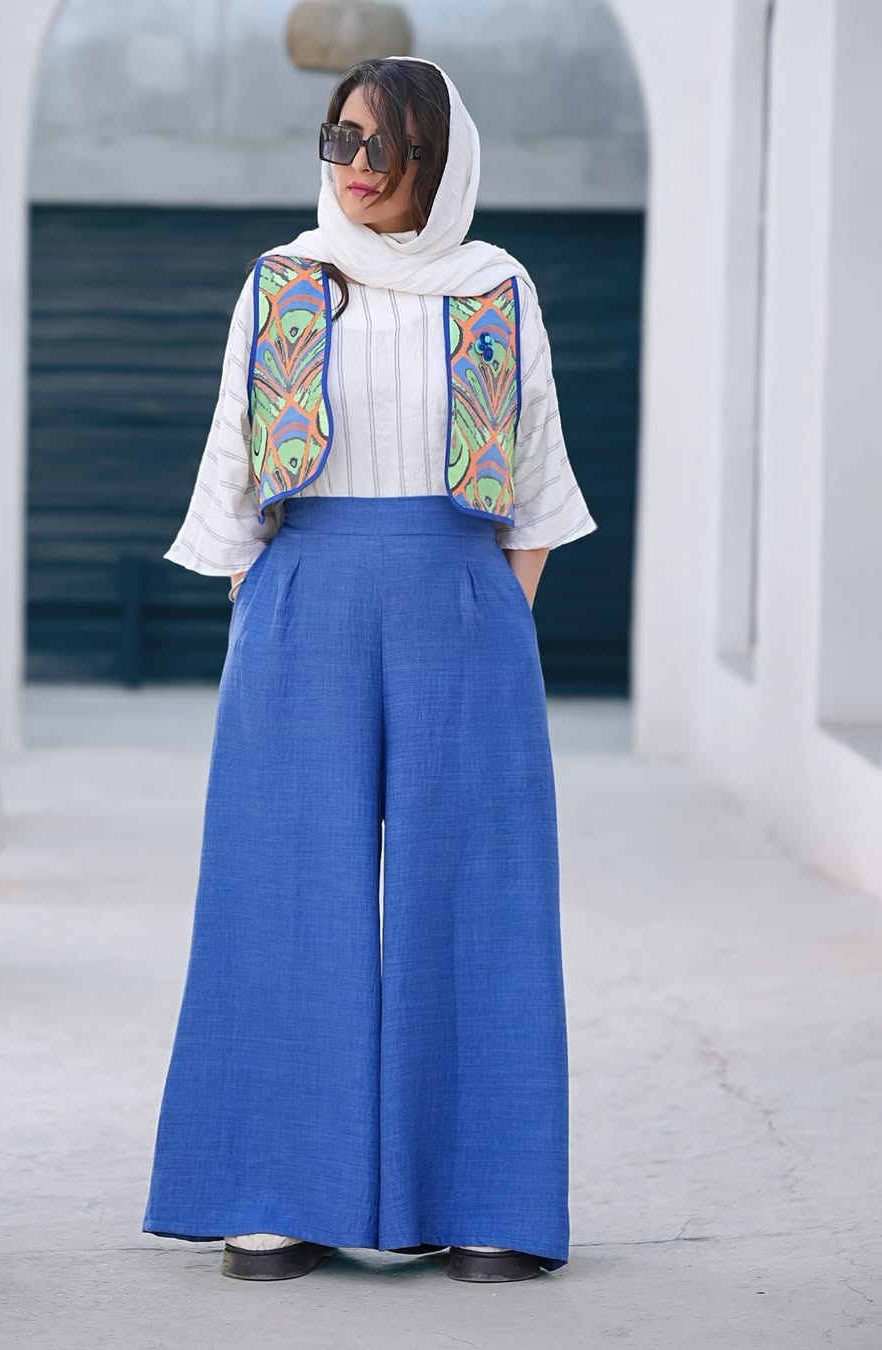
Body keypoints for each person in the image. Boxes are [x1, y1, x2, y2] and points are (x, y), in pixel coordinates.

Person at [142, 54, 597, 1284]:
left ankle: (488, 1203)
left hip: (464, 598)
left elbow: (536, 485)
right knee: (285, 878)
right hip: (304, 594)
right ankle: (274, 1193)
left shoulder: (497, 288)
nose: (354, 166)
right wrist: (263, 616)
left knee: (481, 887)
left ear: (437, 161)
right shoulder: (282, 283)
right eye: (338, 138)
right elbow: (236, 467)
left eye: (381, 144)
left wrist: (491, 622)